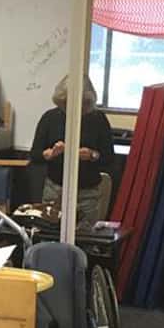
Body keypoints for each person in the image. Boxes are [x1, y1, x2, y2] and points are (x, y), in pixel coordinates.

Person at [31, 75, 114, 231]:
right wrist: (49, 154)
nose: (75, 108)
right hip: (55, 190)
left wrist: (92, 155)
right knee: (50, 237)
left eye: (81, 104)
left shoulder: (98, 119)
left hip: (87, 193)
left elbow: (109, 158)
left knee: (84, 240)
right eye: (68, 103)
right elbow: (35, 155)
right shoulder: (50, 118)